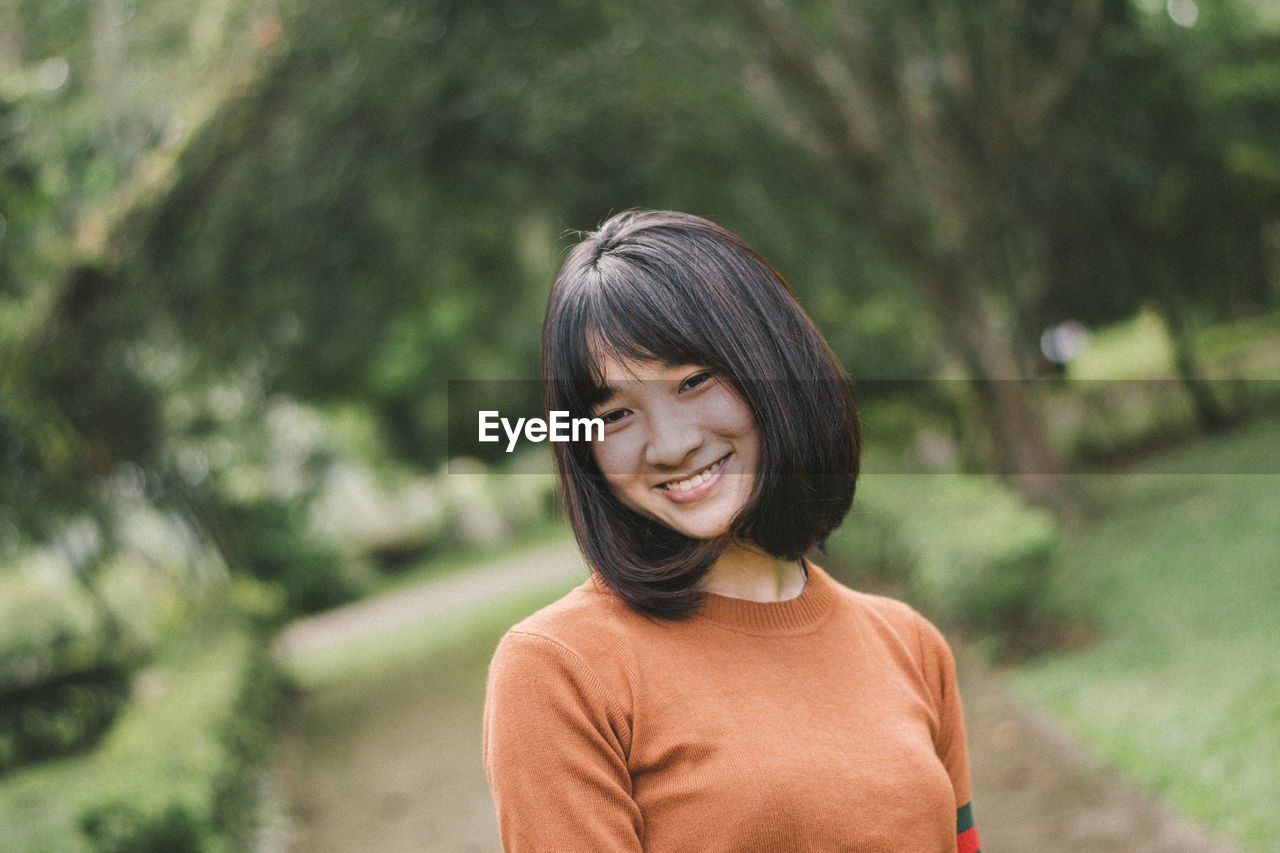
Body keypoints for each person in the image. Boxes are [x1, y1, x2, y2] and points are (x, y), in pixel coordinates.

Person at [483, 210, 981, 852]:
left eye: (694, 380)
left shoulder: (911, 646)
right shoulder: (559, 670)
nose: (670, 445)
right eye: (616, 414)